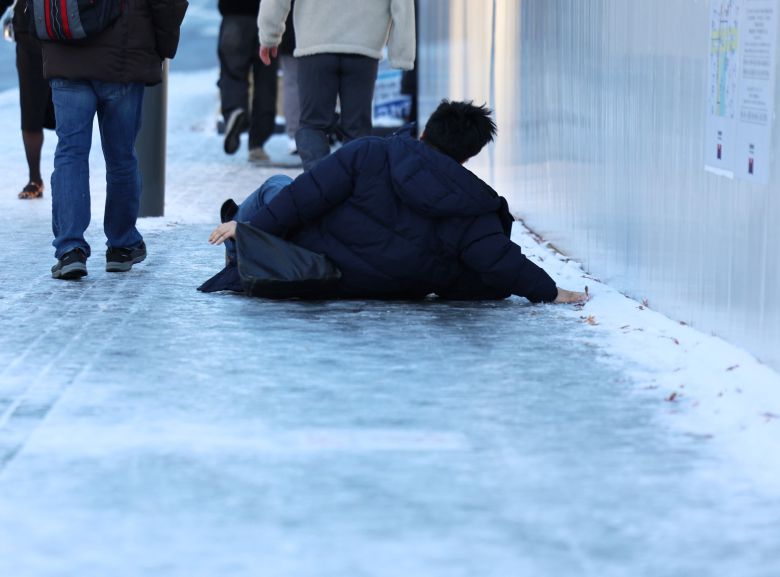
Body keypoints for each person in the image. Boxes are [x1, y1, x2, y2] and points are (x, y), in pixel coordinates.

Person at [206, 100, 588, 304]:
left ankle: (239, 234)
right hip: (373, 286)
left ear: (424, 131)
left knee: (277, 185)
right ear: (468, 156)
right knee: (282, 195)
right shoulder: (473, 205)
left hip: (311, 263)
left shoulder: (370, 153)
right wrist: (552, 291)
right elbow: (498, 260)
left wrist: (252, 232)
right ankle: (244, 236)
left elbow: (305, 198)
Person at [42, 0, 188, 280]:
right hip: (124, 57)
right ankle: (122, 245)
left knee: (70, 153)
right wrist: (162, 47)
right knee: (121, 156)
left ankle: (70, 249)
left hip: (65, 52)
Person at [257, 0, 416, 171]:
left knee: (313, 125)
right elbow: (403, 4)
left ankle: (319, 186)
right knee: (357, 130)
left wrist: (269, 35)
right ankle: (354, 190)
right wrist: (402, 52)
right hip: (364, 46)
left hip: (315, 43)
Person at [0, 0, 56, 199]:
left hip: (69, 33)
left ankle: (72, 174)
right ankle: (35, 178)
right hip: (29, 33)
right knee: (31, 108)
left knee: (72, 111)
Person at [219, 0, 278, 164]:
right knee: (266, 82)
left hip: (234, 16)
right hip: (268, 18)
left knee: (232, 73)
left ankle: (234, 110)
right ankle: (257, 144)